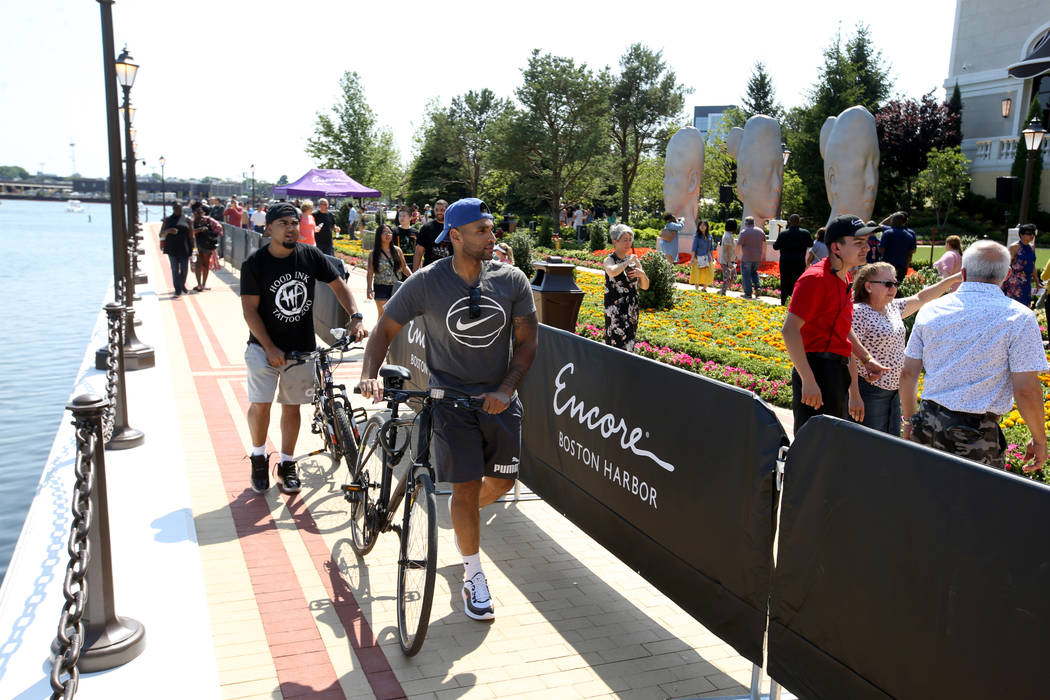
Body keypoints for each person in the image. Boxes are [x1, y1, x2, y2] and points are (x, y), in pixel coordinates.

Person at [357, 197, 538, 622]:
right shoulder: (426, 282)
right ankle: (474, 574)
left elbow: (528, 342)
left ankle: (464, 525)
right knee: (464, 489)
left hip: (500, 401)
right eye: (482, 231)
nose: (492, 237)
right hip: (450, 401)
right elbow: (384, 329)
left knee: (500, 485)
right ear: (455, 236)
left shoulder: (512, 280)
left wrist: (507, 388)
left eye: (492, 229)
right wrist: (370, 371)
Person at [240, 202, 368, 495]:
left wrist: (356, 317)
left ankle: (287, 464)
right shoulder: (255, 264)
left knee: (292, 406)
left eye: (295, 222)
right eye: (283, 223)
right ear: (269, 228)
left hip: (301, 348)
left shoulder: (309, 255)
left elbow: (339, 285)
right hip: (263, 348)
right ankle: (258, 457)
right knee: (261, 405)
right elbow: (250, 311)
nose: (291, 227)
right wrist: (270, 347)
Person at [900, 240, 1048, 471]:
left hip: (927, 423)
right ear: (1008, 274)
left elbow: (908, 373)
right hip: (977, 434)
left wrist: (909, 421)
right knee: (976, 505)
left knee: (924, 499)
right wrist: (1039, 439)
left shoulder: (932, 309)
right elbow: (1026, 389)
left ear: (963, 273)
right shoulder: (1019, 317)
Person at [781, 215, 888, 434]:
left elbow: (841, 329)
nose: (866, 248)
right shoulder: (815, 279)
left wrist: (865, 358)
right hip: (817, 369)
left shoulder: (844, 278)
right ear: (836, 247)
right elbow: (790, 330)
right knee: (812, 446)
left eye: (866, 242)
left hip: (836, 371)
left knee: (830, 444)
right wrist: (808, 380)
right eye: (858, 243)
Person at [850, 262, 962, 435]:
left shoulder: (892, 307)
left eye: (895, 283)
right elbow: (848, 353)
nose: (893, 288)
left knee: (889, 444)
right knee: (868, 445)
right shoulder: (858, 312)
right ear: (868, 286)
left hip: (895, 391)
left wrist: (954, 279)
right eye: (887, 284)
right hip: (869, 391)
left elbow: (922, 298)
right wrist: (854, 395)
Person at [603, 224, 650, 351]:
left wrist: (642, 274)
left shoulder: (634, 260)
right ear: (615, 242)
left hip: (631, 308)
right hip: (615, 309)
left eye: (630, 239)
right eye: (624, 240)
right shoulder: (610, 259)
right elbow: (612, 271)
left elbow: (645, 286)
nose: (628, 243)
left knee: (629, 341)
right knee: (615, 342)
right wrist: (626, 263)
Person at [366, 223, 412, 315]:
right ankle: (379, 330)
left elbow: (404, 267)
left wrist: (413, 278)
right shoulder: (374, 253)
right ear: (379, 235)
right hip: (381, 287)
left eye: (390, 232)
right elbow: (370, 272)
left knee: (396, 315)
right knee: (383, 314)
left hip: (396, 287)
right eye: (384, 232)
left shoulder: (397, 250)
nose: (388, 235)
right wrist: (369, 288)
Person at [772, 214, 813, 306]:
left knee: (785, 281)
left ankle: (783, 302)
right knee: (797, 281)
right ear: (799, 222)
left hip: (785, 261)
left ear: (789, 222)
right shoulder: (805, 233)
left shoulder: (783, 233)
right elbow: (811, 244)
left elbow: (775, 247)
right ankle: (796, 302)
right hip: (799, 261)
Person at [1002, 223, 1040, 307]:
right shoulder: (1014, 247)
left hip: (1026, 282)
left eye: (1033, 233)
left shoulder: (1032, 247)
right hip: (1013, 283)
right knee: (1013, 307)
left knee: (1025, 306)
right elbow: (1006, 266)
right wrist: (1002, 284)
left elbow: (1032, 265)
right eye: (1029, 233)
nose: (1032, 235)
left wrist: (1037, 281)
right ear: (1021, 234)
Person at [161, 201, 193, 297]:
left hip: (185, 248)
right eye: (176, 208)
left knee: (184, 270)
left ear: (182, 208)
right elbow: (161, 234)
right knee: (175, 270)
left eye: (179, 208)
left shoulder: (187, 220)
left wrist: (194, 250)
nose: (178, 210)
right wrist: (168, 231)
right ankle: (178, 290)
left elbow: (192, 236)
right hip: (172, 248)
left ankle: (181, 284)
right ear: (173, 209)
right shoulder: (167, 220)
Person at [877, 211, 917, 285]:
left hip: (888, 265)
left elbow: (881, 250)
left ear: (893, 221)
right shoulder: (910, 234)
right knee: (899, 285)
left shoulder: (887, 232)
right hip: (902, 265)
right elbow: (913, 251)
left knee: (886, 285)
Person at [190, 202, 223, 292]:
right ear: (194, 212)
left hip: (205, 245)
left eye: (200, 210)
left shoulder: (207, 220)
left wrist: (211, 233)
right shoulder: (192, 221)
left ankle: (202, 284)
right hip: (196, 247)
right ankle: (200, 284)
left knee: (205, 264)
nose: (200, 211)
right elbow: (189, 233)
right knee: (199, 264)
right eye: (197, 210)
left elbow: (219, 228)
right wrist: (199, 230)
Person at [414, 199, 450, 271]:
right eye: (436, 210)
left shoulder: (454, 228)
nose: (439, 212)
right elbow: (418, 252)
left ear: (448, 210)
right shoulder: (426, 228)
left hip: (449, 271)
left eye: (442, 210)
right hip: (430, 271)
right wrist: (414, 273)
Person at [737, 216, 766, 299]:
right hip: (757, 257)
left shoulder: (744, 232)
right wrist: (764, 255)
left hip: (747, 257)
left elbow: (738, 245)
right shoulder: (760, 231)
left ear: (746, 223)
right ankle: (757, 287)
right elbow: (764, 244)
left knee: (746, 275)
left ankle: (748, 293)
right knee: (754, 272)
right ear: (753, 223)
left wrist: (735, 256)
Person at [689, 220, 715, 292]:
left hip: (707, 258)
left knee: (709, 273)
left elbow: (711, 248)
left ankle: (704, 289)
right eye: (701, 225)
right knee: (697, 274)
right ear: (698, 227)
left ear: (707, 227)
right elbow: (694, 248)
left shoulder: (710, 236)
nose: (702, 227)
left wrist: (713, 257)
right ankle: (697, 290)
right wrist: (692, 258)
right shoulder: (696, 237)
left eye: (704, 225)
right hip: (698, 258)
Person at [718, 220, 738, 295]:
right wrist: (729, 262)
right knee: (727, 278)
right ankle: (723, 293)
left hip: (728, 260)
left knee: (731, 277)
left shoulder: (728, 235)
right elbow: (727, 250)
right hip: (726, 261)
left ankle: (721, 291)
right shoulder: (728, 236)